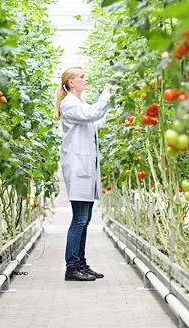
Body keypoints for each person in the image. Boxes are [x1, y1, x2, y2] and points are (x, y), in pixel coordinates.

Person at [54, 66, 112, 281]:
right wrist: (105, 94)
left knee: (84, 219)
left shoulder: (79, 103)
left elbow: (96, 120)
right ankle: (72, 267)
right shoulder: (69, 103)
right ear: (71, 82)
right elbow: (93, 114)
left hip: (85, 167)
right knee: (79, 219)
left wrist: (112, 106)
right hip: (78, 168)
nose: (86, 79)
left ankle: (81, 263)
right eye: (81, 77)